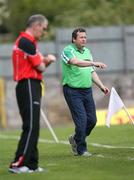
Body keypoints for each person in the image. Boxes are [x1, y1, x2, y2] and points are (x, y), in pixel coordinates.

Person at [9, 14, 56, 173]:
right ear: (36, 25)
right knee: (30, 126)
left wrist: (44, 60)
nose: (43, 32)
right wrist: (48, 59)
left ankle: (31, 164)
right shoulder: (26, 41)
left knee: (33, 126)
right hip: (28, 84)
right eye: (43, 29)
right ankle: (18, 163)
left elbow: (38, 64)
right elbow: (40, 66)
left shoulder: (28, 42)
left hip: (30, 85)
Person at [61, 28, 109, 157]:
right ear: (74, 39)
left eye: (85, 37)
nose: (84, 39)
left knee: (92, 121)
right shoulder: (68, 50)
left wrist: (101, 86)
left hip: (87, 91)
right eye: (81, 37)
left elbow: (91, 72)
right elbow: (75, 62)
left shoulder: (87, 51)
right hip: (72, 91)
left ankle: (76, 138)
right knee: (81, 121)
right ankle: (81, 150)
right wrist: (93, 62)